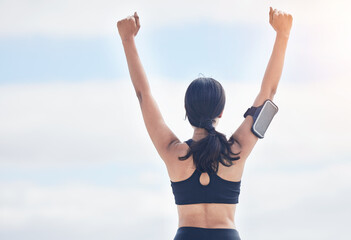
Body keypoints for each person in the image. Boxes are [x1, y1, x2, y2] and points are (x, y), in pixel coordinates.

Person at [117, 6, 293, 240]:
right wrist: (283, 35)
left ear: (186, 111)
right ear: (220, 112)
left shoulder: (173, 152)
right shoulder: (236, 151)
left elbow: (143, 95)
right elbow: (268, 92)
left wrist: (127, 39)